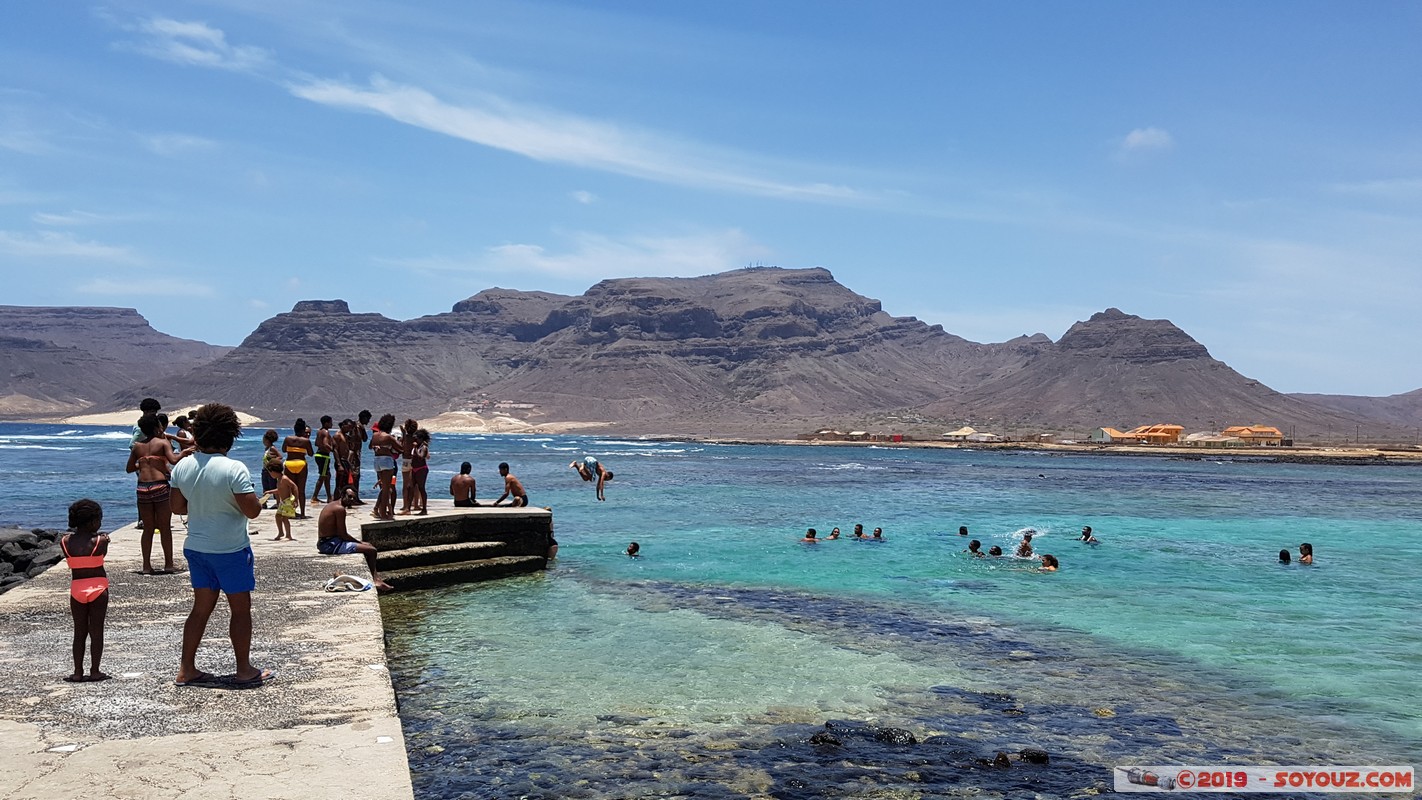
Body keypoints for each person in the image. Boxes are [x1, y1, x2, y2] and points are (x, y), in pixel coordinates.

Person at [169, 402, 270, 689]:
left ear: (197, 435)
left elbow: (177, 507)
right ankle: (244, 669)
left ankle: (186, 669)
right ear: (230, 437)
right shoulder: (234, 469)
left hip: (197, 549)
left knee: (200, 609)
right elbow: (251, 511)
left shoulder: (184, 465)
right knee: (240, 610)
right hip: (230, 550)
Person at [126, 412, 185, 574]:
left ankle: (146, 566)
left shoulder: (137, 446)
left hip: (142, 488)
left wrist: (144, 463)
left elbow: (129, 468)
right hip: (160, 486)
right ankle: (168, 564)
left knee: (148, 528)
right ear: (157, 427)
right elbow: (173, 460)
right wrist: (184, 453)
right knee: (165, 527)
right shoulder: (162, 443)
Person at [61, 499, 110, 682]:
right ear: (92, 522)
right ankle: (95, 670)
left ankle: (77, 671)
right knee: (96, 631)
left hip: (77, 589)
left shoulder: (65, 542)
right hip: (98, 588)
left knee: (79, 632)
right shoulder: (100, 541)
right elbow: (102, 554)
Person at [317, 488, 393, 592]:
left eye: (354, 497)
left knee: (368, 545)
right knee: (372, 550)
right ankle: (376, 580)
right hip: (329, 544)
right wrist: (359, 542)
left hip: (327, 542)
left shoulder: (334, 505)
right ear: (342, 495)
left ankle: (375, 577)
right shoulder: (339, 509)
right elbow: (343, 534)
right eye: (349, 497)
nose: (352, 499)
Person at [282, 419, 314, 519]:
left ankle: (291, 511)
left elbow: (283, 450)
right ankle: (303, 513)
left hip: (289, 463)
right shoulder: (306, 441)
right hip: (301, 464)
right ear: (303, 430)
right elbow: (311, 453)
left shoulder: (288, 439)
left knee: (291, 489)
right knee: (301, 490)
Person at [370, 414, 400, 520]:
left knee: (383, 487)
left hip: (376, 460)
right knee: (387, 489)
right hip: (386, 460)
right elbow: (400, 448)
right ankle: (383, 513)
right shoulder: (388, 437)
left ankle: (382, 511)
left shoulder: (375, 435)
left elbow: (370, 446)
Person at [312, 416, 335, 504]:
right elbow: (325, 444)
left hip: (319, 455)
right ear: (326, 423)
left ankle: (329, 497)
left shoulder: (319, 431)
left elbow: (316, 443)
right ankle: (314, 496)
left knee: (327, 476)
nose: (332, 424)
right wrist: (332, 449)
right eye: (330, 422)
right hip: (323, 456)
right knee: (323, 476)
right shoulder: (325, 432)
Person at [398, 418, 419, 515]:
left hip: (405, 461)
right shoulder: (415, 438)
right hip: (413, 461)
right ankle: (415, 504)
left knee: (405, 484)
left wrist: (403, 433)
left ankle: (405, 504)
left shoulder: (404, 438)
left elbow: (401, 447)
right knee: (415, 484)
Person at [409, 429, 430, 515]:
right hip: (414, 468)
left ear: (421, 439)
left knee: (421, 488)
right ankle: (408, 508)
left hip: (421, 469)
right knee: (410, 487)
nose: (415, 440)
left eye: (416, 439)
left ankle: (424, 509)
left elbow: (421, 457)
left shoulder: (423, 448)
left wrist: (415, 448)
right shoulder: (417, 447)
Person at [259, 429, 282, 509]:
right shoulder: (266, 448)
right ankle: (264, 503)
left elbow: (280, 456)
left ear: (267, 440)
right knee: (265, 486)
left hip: (271, 471)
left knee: (273, 486)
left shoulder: (272, 448)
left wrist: (273, 461)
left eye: (264, 440)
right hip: (265, 469)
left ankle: (278, 502)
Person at [272, 466, 297, 541]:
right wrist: (270, 492)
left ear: (274, 472)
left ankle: (289, 535)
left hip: (288, 501)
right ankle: (281, 532)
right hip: (282, 502)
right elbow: (280, 490)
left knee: (285, 518)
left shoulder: (284, 478)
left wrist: (296, 500)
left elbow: (294, 487)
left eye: (271, 473)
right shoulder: (279, 479)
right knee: (278, 516)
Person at [333, 419, 353, 500]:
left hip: (345, 461)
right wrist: (339, 464)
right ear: (343, 425)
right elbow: (335, 450)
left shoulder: (345, 436)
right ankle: (336, 499)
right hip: (340, 461)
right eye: (348, 427)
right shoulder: (338, 435)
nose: (349, 429)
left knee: (345, 482)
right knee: (339, 482)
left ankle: (344, 499)